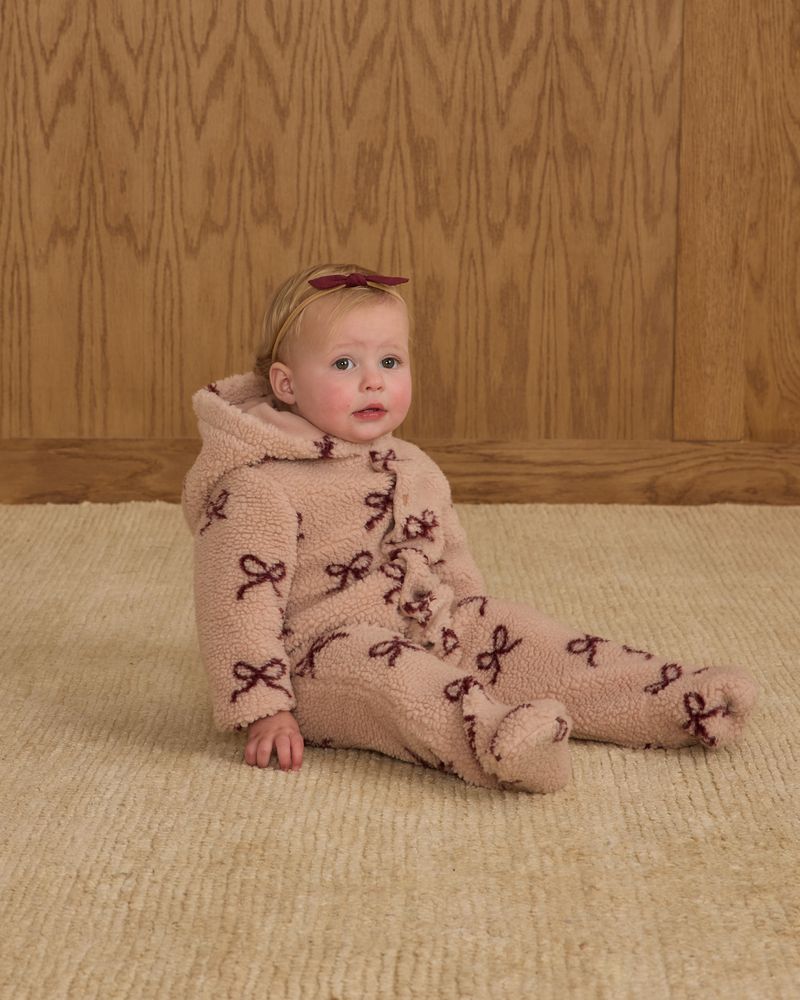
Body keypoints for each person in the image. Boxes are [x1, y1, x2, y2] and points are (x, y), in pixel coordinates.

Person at [180, 263, 758, 793]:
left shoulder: (412, 464)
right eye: (344, 364)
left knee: (528, 636)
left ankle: (668, 697)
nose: (373, 381)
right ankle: (499, 739)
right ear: (286, 385)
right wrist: (265, 708)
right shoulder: (257, 488)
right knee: (402, 684)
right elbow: (234, 606)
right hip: (321, 659)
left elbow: (449, 555)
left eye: (390, 362)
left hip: (428, 623)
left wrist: (475, 626)